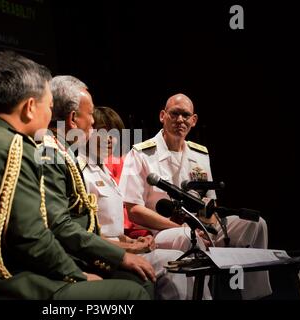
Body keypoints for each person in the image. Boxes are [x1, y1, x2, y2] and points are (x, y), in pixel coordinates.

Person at [0, 51, 150, 300]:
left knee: (132, 280)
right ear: (30, 107)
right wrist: (76, 274)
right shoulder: (11, 148)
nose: (51, 116)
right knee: (131, 294)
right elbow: (30, 237)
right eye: (50, 107)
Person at [119, 93, 272, 299]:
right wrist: (184, 228)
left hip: (200, 227)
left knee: (256, 224)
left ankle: (256, 296)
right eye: (174, 114)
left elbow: (210, 201)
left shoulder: (200, 153)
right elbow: (134, 210)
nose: (180, 120)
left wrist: (206, 227)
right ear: (162, 116)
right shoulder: (141, 153)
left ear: (194, 120)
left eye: (185, 115)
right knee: (187, 238)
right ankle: (202, 296)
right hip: (161, 232)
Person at [39, 75, 156, 298]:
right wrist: (123, 253)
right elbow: (60, 227)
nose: (93, 122)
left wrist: (125, 243)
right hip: (68, 260)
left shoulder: (62, 153)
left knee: (141, 279)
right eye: (91, 114)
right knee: (138, 284)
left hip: (85, 250)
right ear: (73, 119)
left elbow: (86, 223)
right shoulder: (50, 154)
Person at [78, 106, 211, 299]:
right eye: (103, 132)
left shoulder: (105, 172)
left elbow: (112, 230)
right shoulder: (81, 171)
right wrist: (131, 247)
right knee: (175, 259)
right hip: (102, 255)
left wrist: (134, 240)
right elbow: (86, 234)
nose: (111, 139)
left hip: (119, 247)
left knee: (179, 259)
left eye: (115, 134)